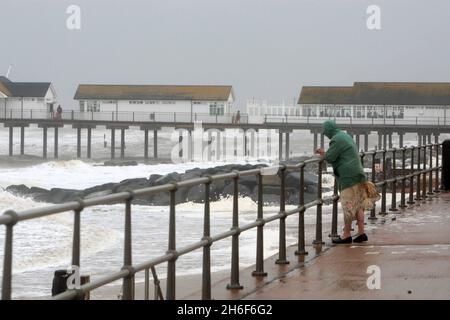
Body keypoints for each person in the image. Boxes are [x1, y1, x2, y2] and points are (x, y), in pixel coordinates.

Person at [315, 120, 379, 244]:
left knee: (348, 205)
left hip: (348, 176)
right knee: (358, 204)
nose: (324, 134)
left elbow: (330, 157)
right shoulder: (345, 136)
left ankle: (346, 235)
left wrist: (322, 153)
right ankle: (361, 233)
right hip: (358, 173)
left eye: (325, 131)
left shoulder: (336, 139)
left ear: (330, 129)